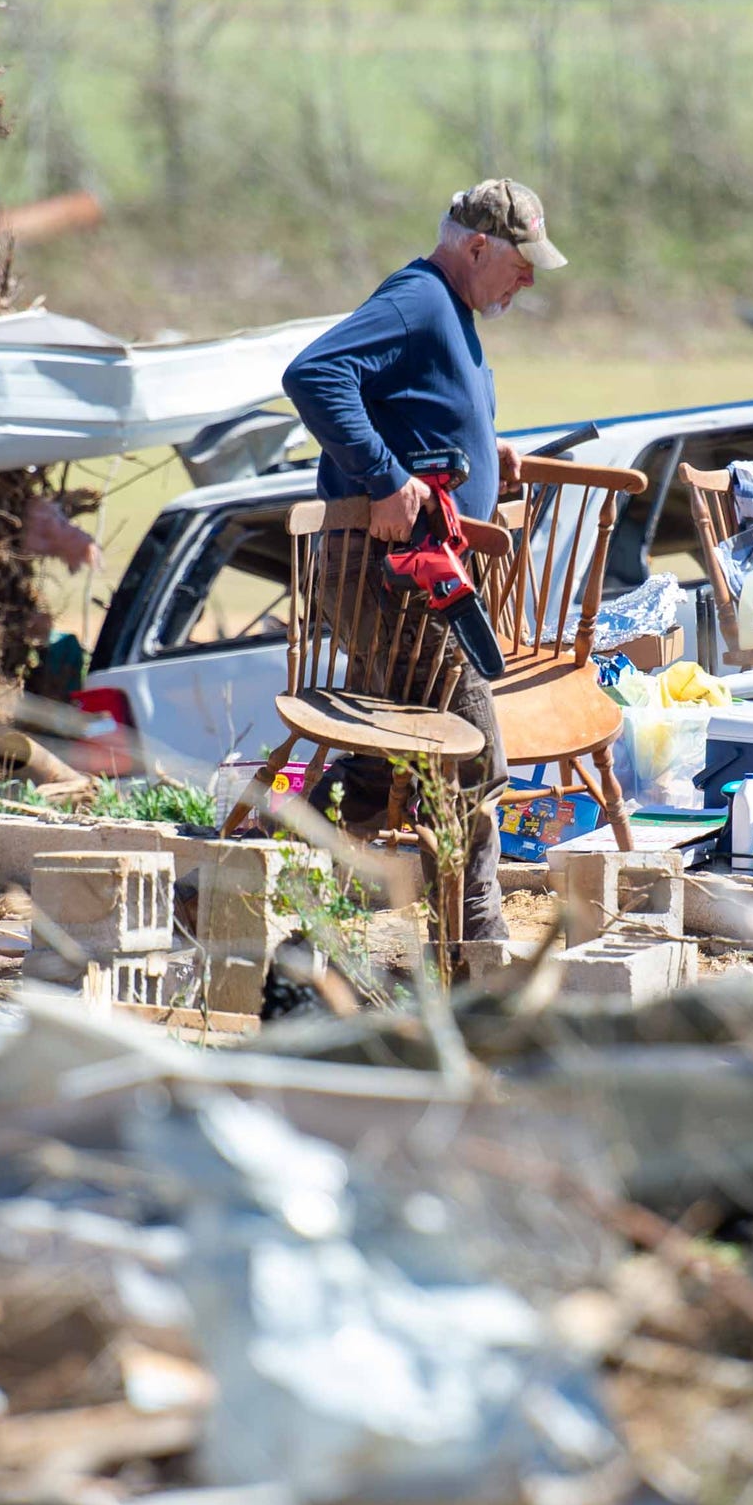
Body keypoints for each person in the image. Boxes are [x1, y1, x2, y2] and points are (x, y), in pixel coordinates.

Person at [278, 178, 561, 942]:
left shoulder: (451, 311)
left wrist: (479, 450)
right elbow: (313, 375)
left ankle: (267, 867)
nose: (529, 277)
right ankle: (479, 941)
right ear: (475, 247)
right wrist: (385, 476)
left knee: (377, 769)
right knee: (473, 755)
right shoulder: (421, 299)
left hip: (405, 575)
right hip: (393, 577)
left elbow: (406, 409)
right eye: (521, 261)